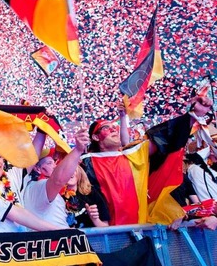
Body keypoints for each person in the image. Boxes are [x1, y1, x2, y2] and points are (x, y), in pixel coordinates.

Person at [81, 95, 210, 225]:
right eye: (105, 128)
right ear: (96, 137)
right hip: (107, 235)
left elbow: (165, 136)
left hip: (141, 231)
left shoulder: (134, 154)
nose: (113, 129)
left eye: (114, 127)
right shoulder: (85, 163)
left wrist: (193, 114)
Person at [22, 129, 90, 228]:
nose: (55, 166)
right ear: (37, 168)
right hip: (54, 240)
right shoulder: (38, 186)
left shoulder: (54, 190)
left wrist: (42, 131)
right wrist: (78, 150)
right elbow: (57, 180)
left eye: (54, 161)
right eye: (49, 163)